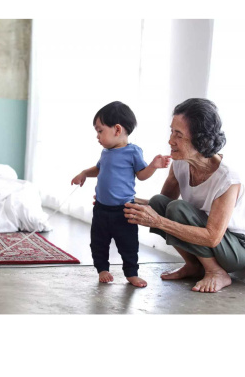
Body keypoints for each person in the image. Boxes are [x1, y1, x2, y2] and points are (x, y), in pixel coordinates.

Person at [124, 98, 245, 293]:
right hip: (211, 241)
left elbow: (212, 237)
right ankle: (193, 265)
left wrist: (158, 222)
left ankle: (216, 272)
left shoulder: (228, 179)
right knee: (160, 203)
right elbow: (159, 207)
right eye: (171, 131)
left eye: (178, 134)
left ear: (200, 139)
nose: (170, 140)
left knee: (176, 209)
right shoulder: (180, 163)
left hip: (235, 248)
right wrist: (125, 200)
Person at [71, 101, 171, 287]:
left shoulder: (133, 152)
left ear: (117, 129)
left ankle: (131, 273)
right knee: (98, 242)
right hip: (101, 209)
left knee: (128, 244)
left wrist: (153, 166)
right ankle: (102, 269)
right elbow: (99, 169)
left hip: (124, 210)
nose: (97, 136)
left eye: (100, 131)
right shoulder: (105, 152)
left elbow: (141, 175)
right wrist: (84, 173)